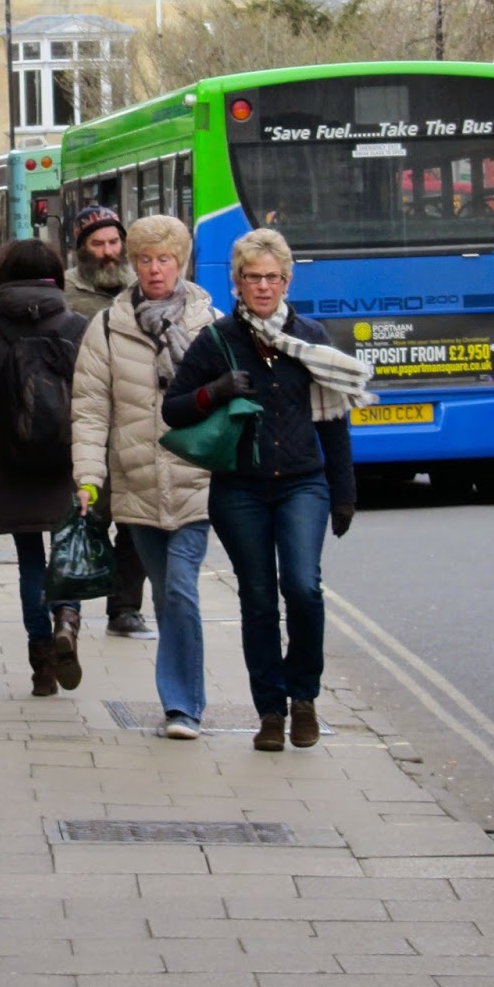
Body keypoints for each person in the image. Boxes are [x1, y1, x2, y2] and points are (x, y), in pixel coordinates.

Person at [163, 226, 370, 753]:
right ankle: (271, 712)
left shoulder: (311, 340)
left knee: (302, 587)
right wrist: (217, 390)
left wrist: (343, 491)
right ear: (236, 283)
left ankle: (304, 697)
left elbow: (333, 422)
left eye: (272, 278)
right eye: (252, 278)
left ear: (287, 280)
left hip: (304, 482)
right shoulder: (217, 341)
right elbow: (174, 409)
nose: (262, 287)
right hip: (240, 490)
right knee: (257, 600)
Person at [71, 215, 215, 738]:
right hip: (134, 483)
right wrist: (88, 478)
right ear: (134, 264)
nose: (155, 270)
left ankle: (183, 706)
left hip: (195, 480)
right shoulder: (108, 327)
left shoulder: (210, 325)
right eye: (146, 260)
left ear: (181, 263)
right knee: (162, 590)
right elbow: (90, 411)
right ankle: (178, 698)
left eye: (165, 260)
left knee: (180, 587)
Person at [0, 239, 88, 696]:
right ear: (56, 274)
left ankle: (41, 662)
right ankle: (67, 622)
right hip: (68, 458)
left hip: (12, 459)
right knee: (68, 551)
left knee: (29, 561)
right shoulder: (77, 325)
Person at [63, 204, 152, 639]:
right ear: (81, 248)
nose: (108, 251)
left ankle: (125, 609)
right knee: (87, 520)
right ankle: (69, 609)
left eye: (114, 242)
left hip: (136, 425)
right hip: (89, 424)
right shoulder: (65, 292)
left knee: (135, 525)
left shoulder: (140, 291)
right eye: (97, 244)